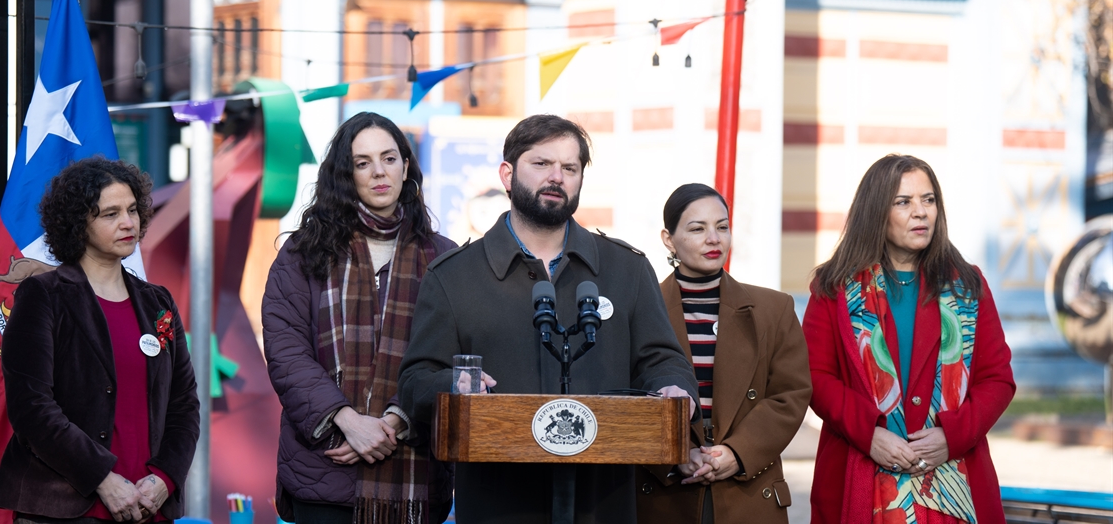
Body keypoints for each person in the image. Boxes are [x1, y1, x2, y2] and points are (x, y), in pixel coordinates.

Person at [397, 114, 700, 524]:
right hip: (499, 505)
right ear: (507, 174)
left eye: (569, 168)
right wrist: (451, 385)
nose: (556, 177)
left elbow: (663, 360)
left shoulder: (626, 269)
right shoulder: (453, 277)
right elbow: (416, 380)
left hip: (603, 504)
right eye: (541, 164)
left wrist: (675, 389)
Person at [262, 112, 456, 524]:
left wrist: (393, 422)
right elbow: (285, 351)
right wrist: (346, 421)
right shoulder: (303, 253)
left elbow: (453, 352)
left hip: (414, 478)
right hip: (324, 470)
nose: (378, 172)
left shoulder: (445, 257)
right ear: (345, 174)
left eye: (388, 158)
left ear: (406, 166)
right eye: (362, 162)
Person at [802, 154, 1015, 523]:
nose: (921, 213)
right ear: (876, 213)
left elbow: (997, 378)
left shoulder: (967, 286)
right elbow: (815, 378)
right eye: (903, 202)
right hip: (864, 477)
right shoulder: (835, 288)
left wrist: (953, 436)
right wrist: (869, 435)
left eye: (928, 200)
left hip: (953, 485)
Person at [0, 157, 199, 522]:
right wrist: (102, 478)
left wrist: (166, 478)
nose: (128, 222)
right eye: (110, 214)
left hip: (149, 504)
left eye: (133, 210)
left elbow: (184, 405)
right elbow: (32, 408)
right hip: (66, 506)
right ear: (78, 224)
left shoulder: (158, 301)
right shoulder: (44, 295)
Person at [637, 184, 812, 523]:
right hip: (666, 492)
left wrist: (737, 452)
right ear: (668, 239)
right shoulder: (641, 310)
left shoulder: (773, 309)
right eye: (697, 228)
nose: (714, 238)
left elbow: (790, 395)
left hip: (748, 490)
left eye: (722, 226)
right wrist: (676, 454)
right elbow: (626, 396)